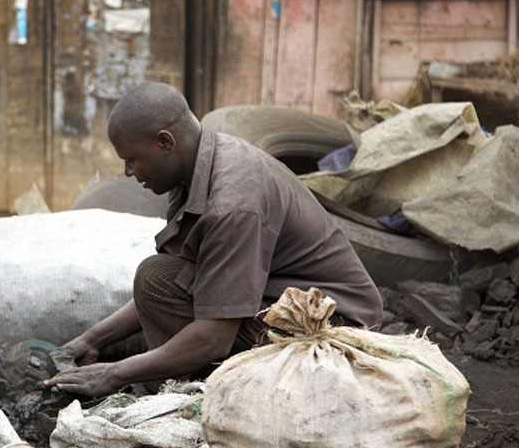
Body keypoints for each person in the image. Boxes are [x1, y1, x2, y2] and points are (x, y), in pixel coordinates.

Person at [44, 82, 383, 397]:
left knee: (158, 285)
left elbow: (213, 339)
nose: (130, 172)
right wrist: (91, 341)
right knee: (156, 279)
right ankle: (176, 381)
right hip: (276, 299)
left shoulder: (232, 202)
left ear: (165, 143)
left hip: (331, 330)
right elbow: (185, 276)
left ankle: (197, 398)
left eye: (132, 159)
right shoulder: (196, 172)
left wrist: (112, 374)